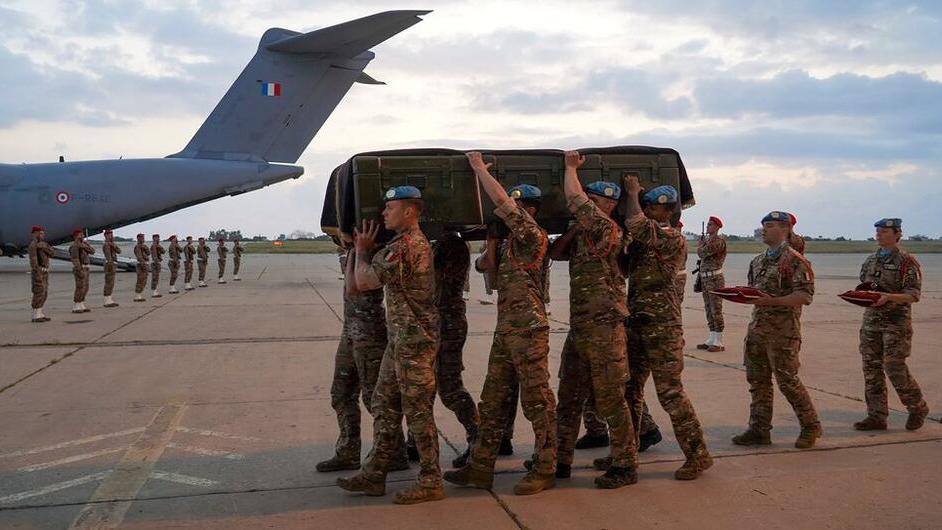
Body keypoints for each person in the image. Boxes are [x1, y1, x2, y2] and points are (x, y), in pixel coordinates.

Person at [444, 152, 557, 496]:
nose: (513, 211)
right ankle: (480, 469)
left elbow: (501, 201)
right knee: (493, 402)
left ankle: (545, 467)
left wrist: (479, 169)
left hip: (528, 328)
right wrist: (492, 240)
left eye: (520, 207)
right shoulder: (509, 241)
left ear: (531, 211)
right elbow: (485, 269)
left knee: (536, 401)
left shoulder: (533, 234)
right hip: (506, 328)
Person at [337, 186, 443, 505]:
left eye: (390, 208)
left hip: (415, 344)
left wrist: (362, 250)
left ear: (410, 211)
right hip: (399, 342)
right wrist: (360, 250)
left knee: (418, 413)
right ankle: (374, 474)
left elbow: (362, 283)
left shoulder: (409, 245)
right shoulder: (398, 244)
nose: (384, 214)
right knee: (384, 405)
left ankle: (431, 480)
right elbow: (358, 283)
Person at [543, 151, 637, 488]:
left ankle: (625, 465)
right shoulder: (586, 231)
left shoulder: (607, 229)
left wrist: (570, 168)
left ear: (609, 204)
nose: (585, 205)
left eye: (593, 201)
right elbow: (555, 254)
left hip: (606, 330)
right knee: (567, 398)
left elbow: (573, 196)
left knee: (611, 399)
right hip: (581, 328)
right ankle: (560, 461)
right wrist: (571, 230)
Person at [619, 177, 712, 480]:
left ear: (668, 212)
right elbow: (625, 264)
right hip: (637, 322)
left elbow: (635, 221)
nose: (645, 211)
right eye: (645, 206)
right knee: (629, 390)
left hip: (663, 328)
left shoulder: (671, 237)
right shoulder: (646, 241)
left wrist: (632, 193)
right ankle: (625, 453)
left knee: (670, 393)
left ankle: (698, 455)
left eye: (651, 208)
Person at [733, 211, 821, 449]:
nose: (764, 230)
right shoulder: (758, 261)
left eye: (769, 226)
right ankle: (759, 430)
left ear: (785, 228)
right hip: (758, 329)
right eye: (763, 226)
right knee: (758, 382)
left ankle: (810, 426)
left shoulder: (795, 261)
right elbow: (754, 291)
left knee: (787, 382)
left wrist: (772, 301)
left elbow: (804, 296)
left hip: (783, 333)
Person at [317, 245, 408, 473]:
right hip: (351, 330)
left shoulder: (373, 250)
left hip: (369, 333)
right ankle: (348, 451)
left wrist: (360, 249)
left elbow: (354, 287)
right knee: (341, 393)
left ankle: (395, 452)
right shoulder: (353, 250)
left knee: (374, 398)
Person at [853, 218, 929, 431]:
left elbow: (913, 295)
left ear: (897, 234)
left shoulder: (906, 262)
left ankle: (917, 407)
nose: (879, 234)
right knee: (871, 368)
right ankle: (876, 416)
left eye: (885, 231)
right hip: (871, 323)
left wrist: (889, 297)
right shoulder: (870, 260)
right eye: (877, 231)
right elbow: (865, 285)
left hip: (895, 323)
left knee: (894, 367)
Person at [433, 231, 480, 467]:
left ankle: (478, 439)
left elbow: (433, 279)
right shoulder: (440, 243)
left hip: (447, 323)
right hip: (438, 322)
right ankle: (412, 444)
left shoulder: (452, 245)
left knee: (450, 388)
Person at [696, 216, 727, 352]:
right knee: (709, 309)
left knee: (716, 309)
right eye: (707, 225)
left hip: (715, 279)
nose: (708, 227)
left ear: (717, 227)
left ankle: (719, 341)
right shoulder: (708, 240)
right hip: (706, 279)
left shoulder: (718, 241)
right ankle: (712, 337)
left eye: (710, 225)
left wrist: (700, 245)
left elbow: (702, 253)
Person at [28, 226, 53, 322]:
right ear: (34, 234)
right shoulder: (33, 245)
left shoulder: (44, 244)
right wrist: (37, 272)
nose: (42, 235)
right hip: (38, 271)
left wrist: (44, 247)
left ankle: (40, 312)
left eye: (43, 233)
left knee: (44, 292)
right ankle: (35, 314)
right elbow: (33, 260)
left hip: (45, 271)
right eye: (40, 233)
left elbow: (52, 253)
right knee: (38, 292)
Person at [69, 229, 94, 313]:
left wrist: (86, 245)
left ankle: (81, 303)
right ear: (76, 236)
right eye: (81, 235)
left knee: (85, 287)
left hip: (86, 267)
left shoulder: (84, 245)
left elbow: (92, 251)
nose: (83, 236)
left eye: (83, 234)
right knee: (80, 287)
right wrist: (79, 269)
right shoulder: (74, 246)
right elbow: (75, 258)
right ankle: (76, 305)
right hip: (80, 267)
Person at [102, 229, 121, 307]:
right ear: (106, 236)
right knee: (109, 282)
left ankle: (109, 299)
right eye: (109, 235)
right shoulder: (106, 245)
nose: (111, 236)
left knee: (111, 282)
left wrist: (114, 245)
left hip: (113, 263)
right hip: (110, 264)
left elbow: (119, 251)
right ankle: (107, 300)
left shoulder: (112, 244)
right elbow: (108, 256)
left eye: (111, 234)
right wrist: (111, 264)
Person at [133, 233, 150, 302]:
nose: (143, 239)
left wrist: (145, 247)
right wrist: (144, 266)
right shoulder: (137, 247)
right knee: (140, 280)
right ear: (138, 238)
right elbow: (139, 257)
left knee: (144, 280)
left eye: (143, 237)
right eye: (142, 238)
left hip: (145, 264)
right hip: (141, 265)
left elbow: (148, 253)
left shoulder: (144, 246)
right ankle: (137, 295)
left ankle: (139, 294)